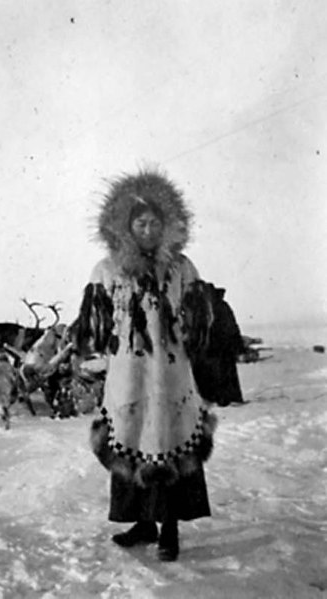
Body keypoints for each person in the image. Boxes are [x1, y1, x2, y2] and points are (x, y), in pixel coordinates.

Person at [72, 169, 217, 561]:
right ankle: (143, 523)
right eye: (141, 222)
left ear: (167, 224)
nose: (148, 229)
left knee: (168, 439)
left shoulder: (181, 267)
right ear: (126, 225)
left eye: (155, 222)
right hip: (128, 375)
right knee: (131, 437)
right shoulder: (107, 268)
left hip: (169, 374)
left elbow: (200, 320)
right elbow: (95, 325)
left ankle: (169, 529)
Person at [191, 285, 245, 406]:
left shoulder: (207, 307)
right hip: (223, 347)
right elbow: (233, 326)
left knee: (218, 374)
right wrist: (238, 345)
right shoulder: (221, 306)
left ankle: (221, 399)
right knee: (226, 374)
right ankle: (230, 398)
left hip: (216, 347)